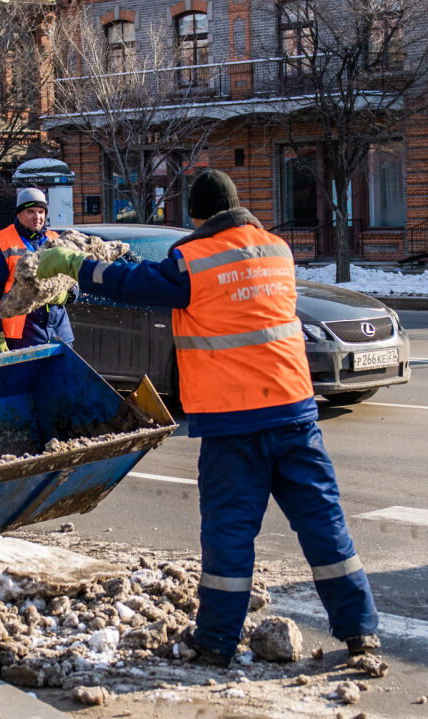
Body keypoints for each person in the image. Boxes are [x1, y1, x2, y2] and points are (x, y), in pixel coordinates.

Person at [37, 169, 380, 665]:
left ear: (197, 217)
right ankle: (360, 632)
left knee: (229, 534)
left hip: (234, 422)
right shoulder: (278, 251)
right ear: (237, 205)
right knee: (324, 526)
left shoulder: (193, 260)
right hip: (294, 414)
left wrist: (76, 265)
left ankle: (217, 641)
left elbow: (133, 285)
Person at [0, 187, 76, 354]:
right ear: (18, 214)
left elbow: (74, 280)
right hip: (20, 339)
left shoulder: (56, 240)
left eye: (41, 211)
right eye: (31, 211)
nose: (37, 217)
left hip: (59, 336)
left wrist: (66, 294)